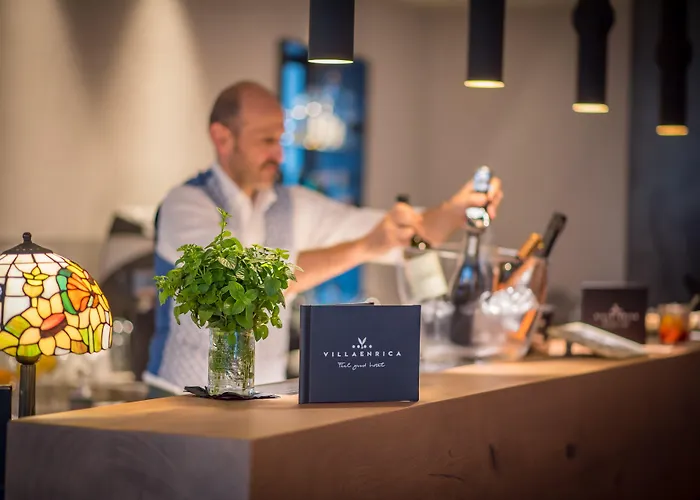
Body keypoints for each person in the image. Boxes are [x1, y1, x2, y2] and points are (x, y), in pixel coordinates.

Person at [143, 81, 503, 397]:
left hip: (259, 399)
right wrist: (365, 247)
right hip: (180, 399)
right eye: (266, 141)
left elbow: (400, 235)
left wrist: (456, 210)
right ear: (222, 138)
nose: (279, 154)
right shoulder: (185, 204)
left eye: (280, 140)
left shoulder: (293, 204)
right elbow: (246, 284)